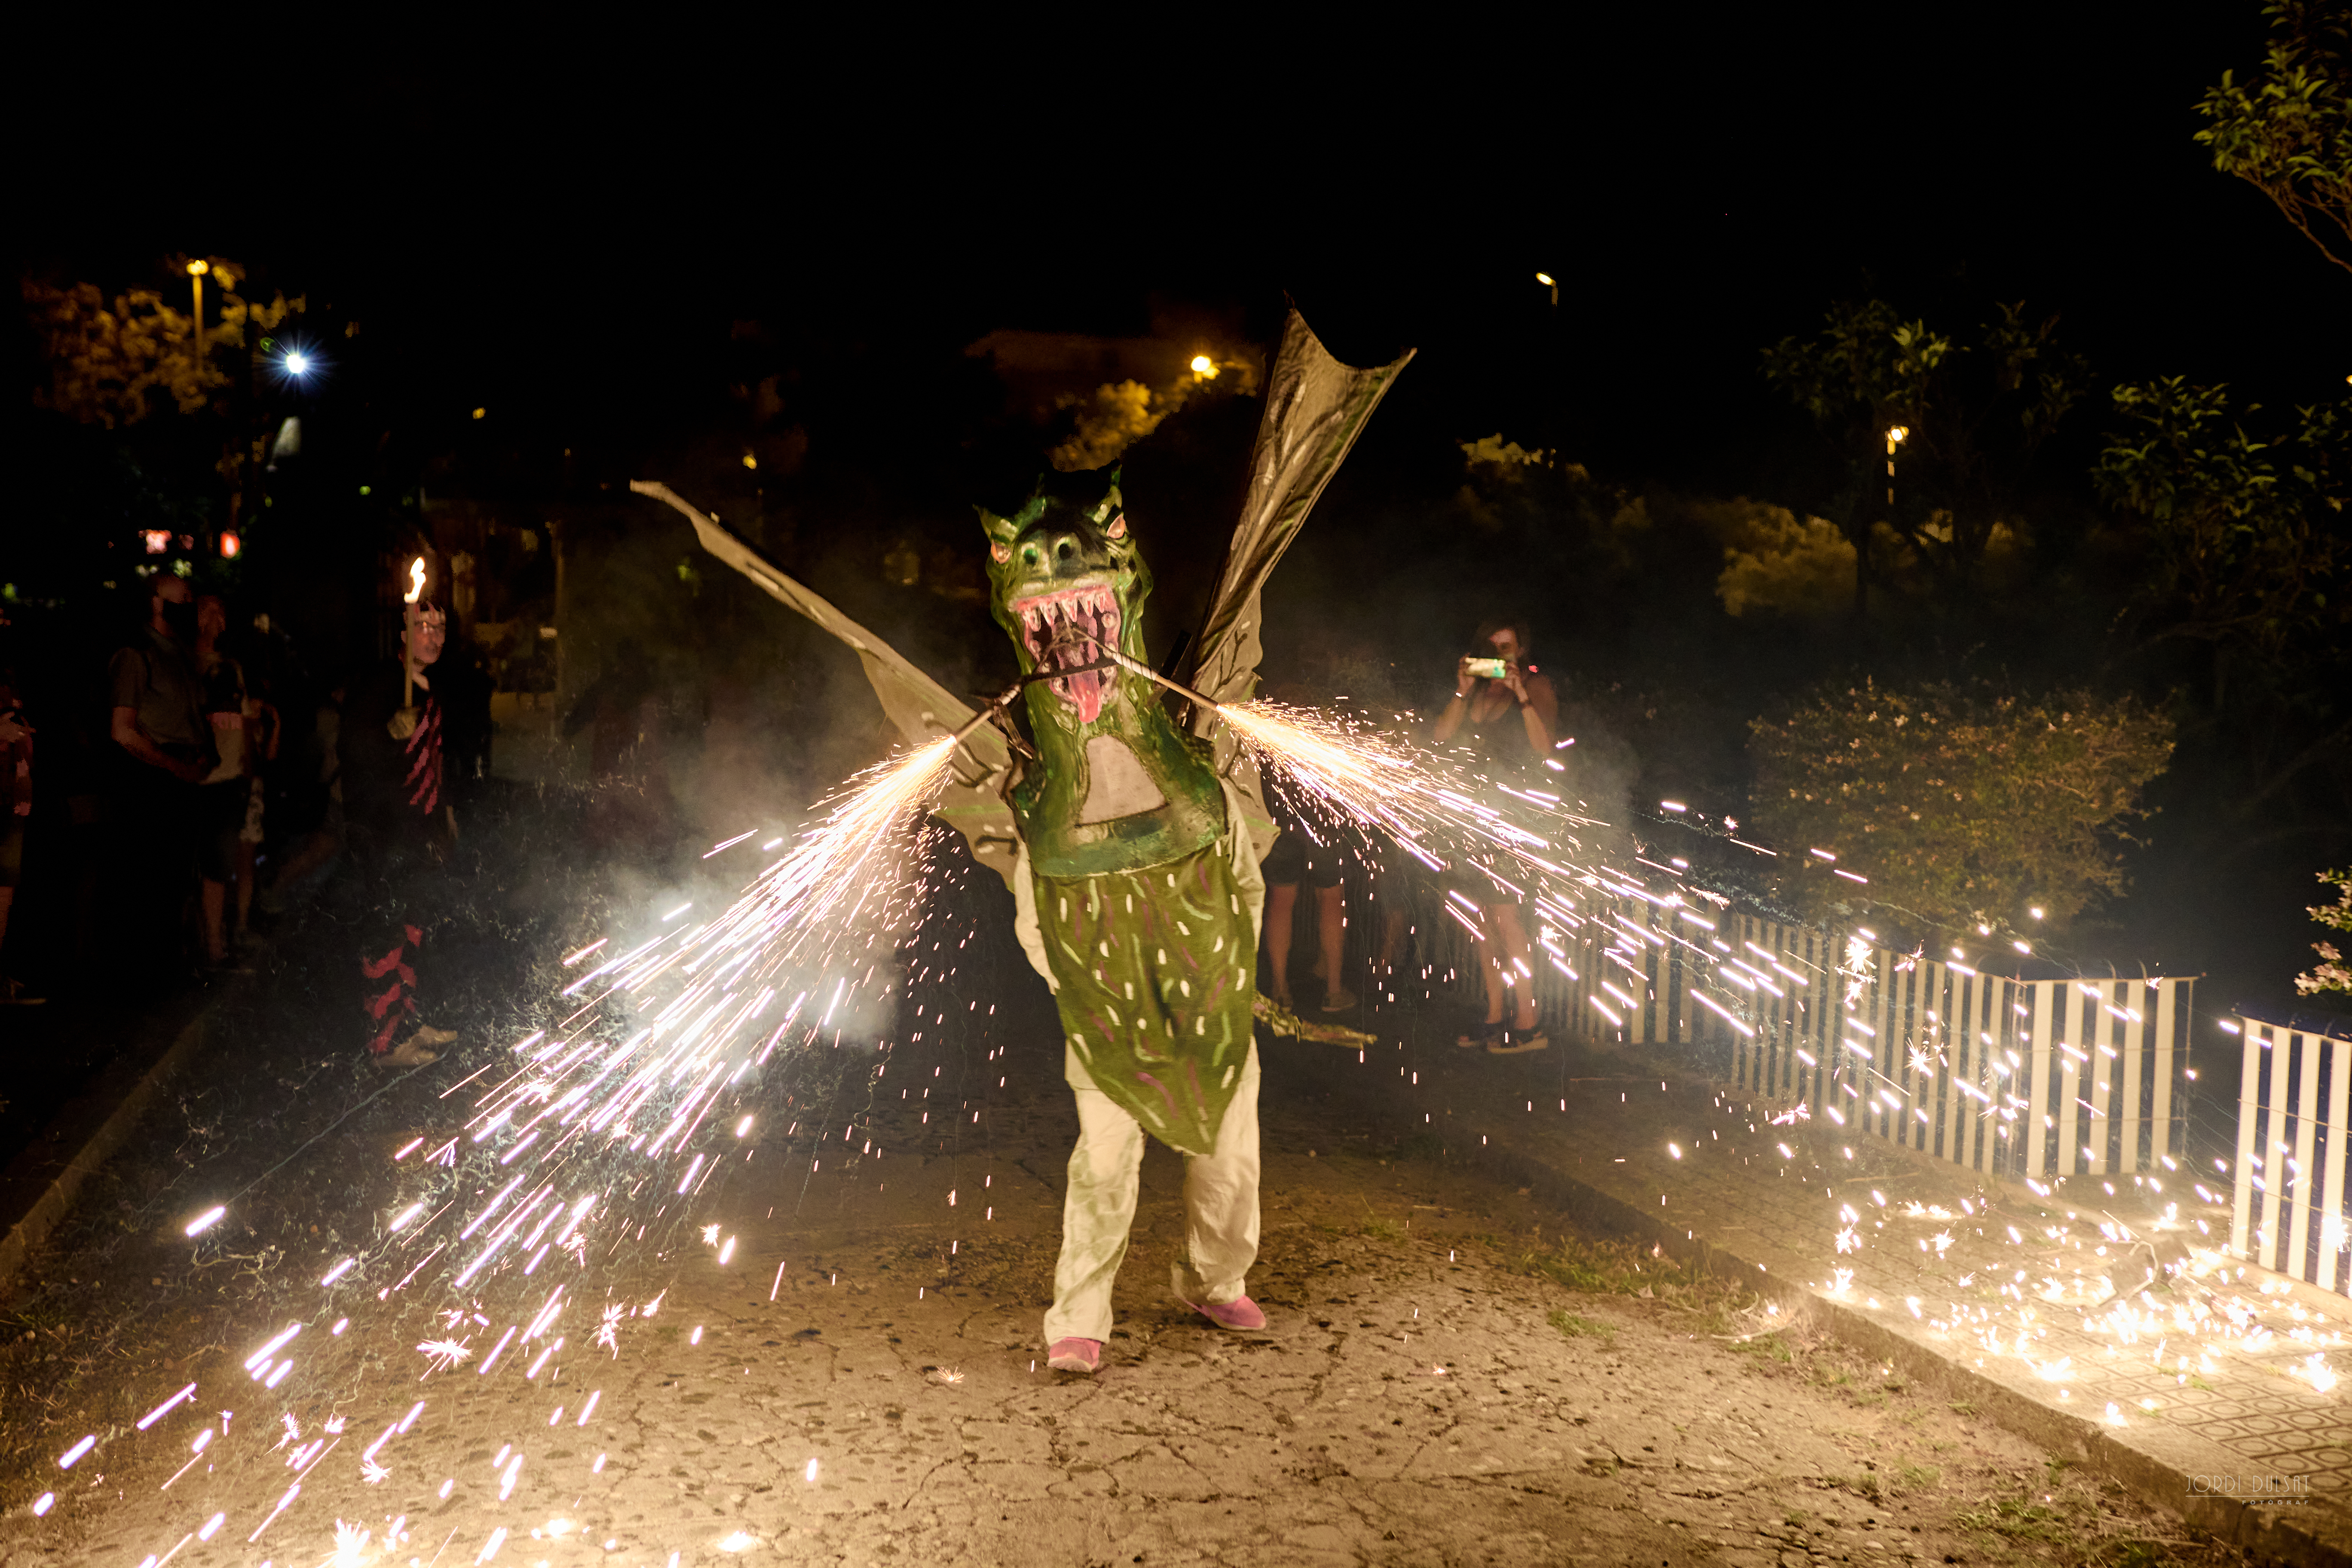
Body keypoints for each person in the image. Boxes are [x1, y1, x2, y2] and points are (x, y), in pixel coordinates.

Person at [341, 596, 461, 1068]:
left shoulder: (429, 686)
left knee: (413, 931)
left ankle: (408, 1024)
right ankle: (383, 1045)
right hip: (384, 833)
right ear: (402, 632)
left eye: (440, 627)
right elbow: (354, 749)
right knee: (386, 935)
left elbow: (433, 757)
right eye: (422, 625)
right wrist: (389, 732)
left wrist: (445, 814)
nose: (432, 635)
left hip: (419, 832)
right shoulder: (377, 686)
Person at [1430, 618, 1556, 1054]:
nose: (1501, 658)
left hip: (1515, 822)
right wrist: (1462, 688)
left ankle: (1530, 1021)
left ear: (1521, 654)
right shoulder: (1477, 693)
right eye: (1493, 649)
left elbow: (1544, 749)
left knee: (1507, 920)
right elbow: (1441, 736)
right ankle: (1495, 1014)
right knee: (1484, 923)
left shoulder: (1536, 690)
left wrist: (1522, 695)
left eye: (1508, 649)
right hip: (1476, 821)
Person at [107, 573, 212, 987]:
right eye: (181, 599)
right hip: (152, 781)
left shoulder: (182, 656)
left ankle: (167, 965)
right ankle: (142, 972)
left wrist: (200, 757)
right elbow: (122, 729)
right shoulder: (136, 656)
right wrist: (171, 765)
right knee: (149, 876)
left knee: (175, 877)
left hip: (181, 777)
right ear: (156, 601)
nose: (189, 605)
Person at [193, 593, 273, 968]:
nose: (216, 617)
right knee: (201, 863)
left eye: (221, 611)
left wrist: (246, 770)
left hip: (228, 778)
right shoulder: (186, 666)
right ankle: (204, 941)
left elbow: (242, 726)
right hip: (195, 777)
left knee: (220, 864)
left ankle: (216, 942)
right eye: (208, 610)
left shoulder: (231, 669)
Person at [1259, 800, 1356, 1014]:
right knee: (1330, 894)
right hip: (1327, 818)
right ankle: (1334, 991)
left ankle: (1280, 992)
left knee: (1281, 896)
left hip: (1280, 814)